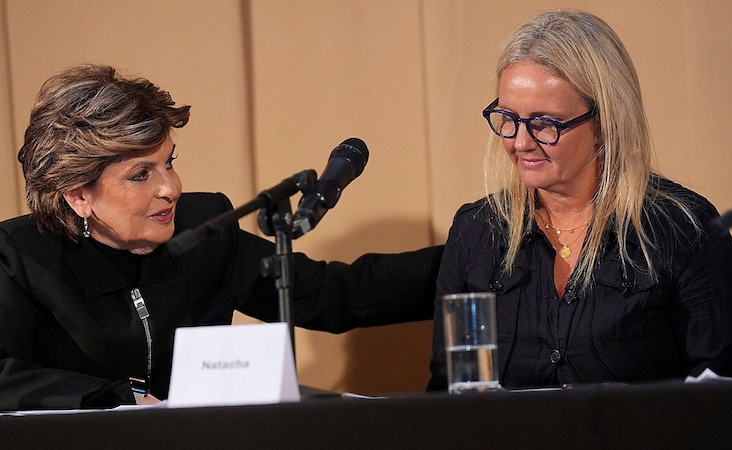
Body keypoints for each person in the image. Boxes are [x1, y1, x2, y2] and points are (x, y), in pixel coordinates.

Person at [0, 64, 443, 410]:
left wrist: (481, 256)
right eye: (141, 174)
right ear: (79, 195)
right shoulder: (21, 257)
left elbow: (336, 294)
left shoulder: (202, 226)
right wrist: (115, 398)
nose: (170, 188)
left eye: (169, 162)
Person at [428, 10, 732, 391]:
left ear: (604, 122)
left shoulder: (683, 228)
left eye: (543, 123)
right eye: (507, 118)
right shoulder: (475, 232)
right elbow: (447, 393)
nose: (520, 142)